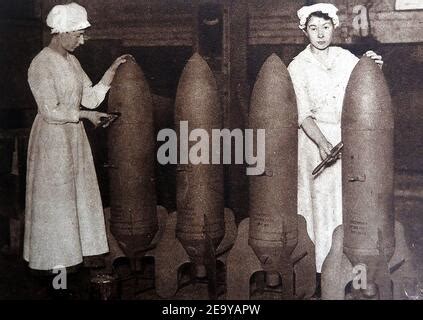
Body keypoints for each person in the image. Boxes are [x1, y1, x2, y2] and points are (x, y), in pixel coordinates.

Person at [24, 2, 130, 278]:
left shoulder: (72, 62)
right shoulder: (41, 63)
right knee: (57, 204)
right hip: (52, 141)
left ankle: (68, 273)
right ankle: (55, 279)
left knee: (73, 203)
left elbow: (91, 97)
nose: (82, 40)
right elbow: (50, 111)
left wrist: (112, 71)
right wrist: (86, 116)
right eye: (78, 34)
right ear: (61, 31)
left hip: (73, 140)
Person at [287, 3, 383, 291]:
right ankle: (318, 276)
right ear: (304, 30)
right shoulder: (297, 66)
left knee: (344, 208)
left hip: (346, 144)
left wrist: (373, 63)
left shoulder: (345, 59)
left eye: (325, 27)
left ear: (334, 27)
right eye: (313, 28)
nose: (320, 34)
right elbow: (302, 113)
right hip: (313, 143)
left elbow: (365, 80)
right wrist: (322, 142)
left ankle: (347, 272)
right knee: (317, 208)